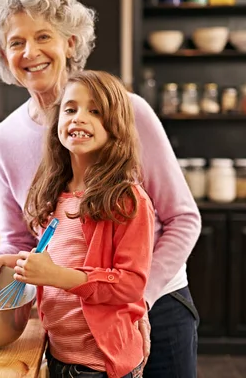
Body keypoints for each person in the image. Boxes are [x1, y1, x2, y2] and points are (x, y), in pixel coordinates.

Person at [0, 0, 202, 376]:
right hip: (72, 332)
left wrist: (134, 302)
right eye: (15, 42)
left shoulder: (129, 111)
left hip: (155, 306)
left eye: (44, 36)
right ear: (2, 56)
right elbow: (25, 242)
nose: (31, 52)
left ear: (71, 43)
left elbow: (183, 219)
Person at [13, 69, 155, 378]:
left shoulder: (128, 200)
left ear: (116, 127)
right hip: (57, 354)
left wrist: (57, 276)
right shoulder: (54, 197)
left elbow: (131, 283)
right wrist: (13, 262)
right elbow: (55, 259)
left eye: (95, 111)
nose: (79, 117)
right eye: (70, 109)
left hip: (98, 365)